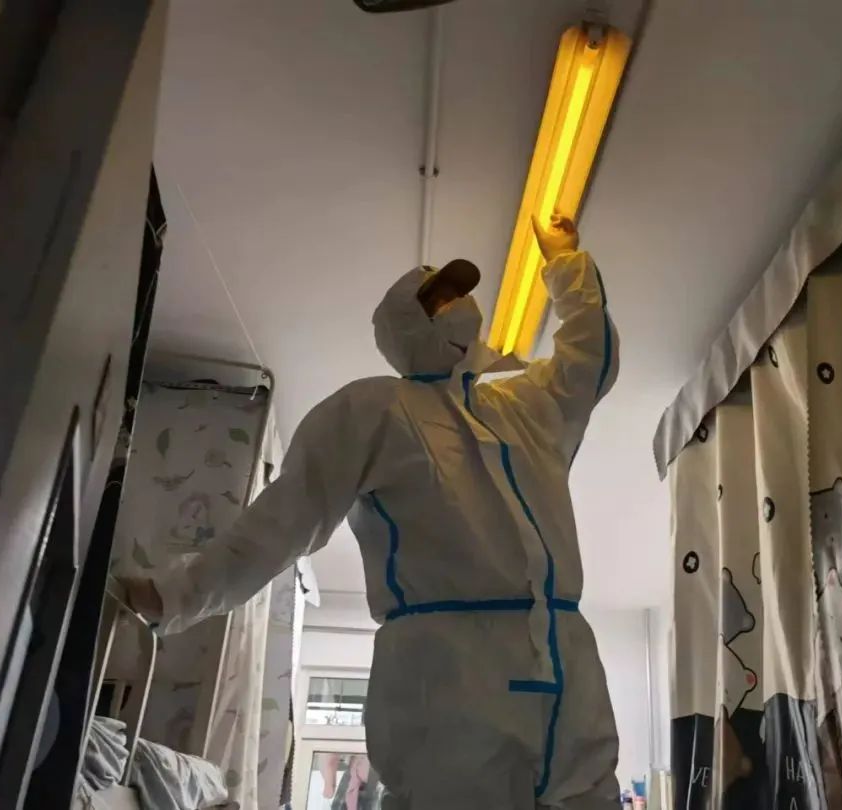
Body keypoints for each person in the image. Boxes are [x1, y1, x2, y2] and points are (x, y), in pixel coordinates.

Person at [124, 215, 621, 809]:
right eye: (439, 301)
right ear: (404, 325)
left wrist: (567, 263)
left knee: (591, 794)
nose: (459, 308)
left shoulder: (522, 406)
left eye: (460, 295)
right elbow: (281, 521)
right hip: (450, 672)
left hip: (566, 658)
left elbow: (588, 359)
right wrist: (175, 595)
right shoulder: (372, 410)